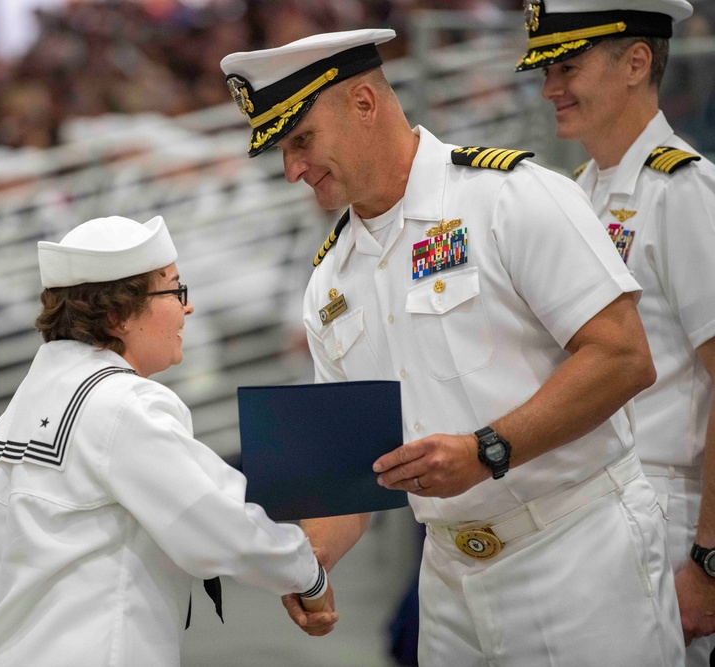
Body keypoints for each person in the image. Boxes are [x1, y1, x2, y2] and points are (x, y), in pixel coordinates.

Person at [220, 28, 683, 664]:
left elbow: (625, 356)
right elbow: (359, 472)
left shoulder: (509, 196)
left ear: (364, 103)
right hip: (449, 579)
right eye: (281, 150)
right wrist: (309, 561)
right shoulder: (331, 280)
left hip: (578, 551)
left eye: (301, 140)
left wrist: (487, 450)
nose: (291, 168)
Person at [0, 215, 331, 666]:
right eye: (175, 290)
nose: (187, 308)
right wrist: (308, 577)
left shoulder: (33, 394)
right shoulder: (122, 402)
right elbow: (216, 522)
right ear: (116, 314)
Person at [516, 0, 715, 661]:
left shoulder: (682, 190)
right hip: (587, 508)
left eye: (566, 66)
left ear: (636, 62)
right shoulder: (578, 191)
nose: (549, 88)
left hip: (666, 506)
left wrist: (709, 559)